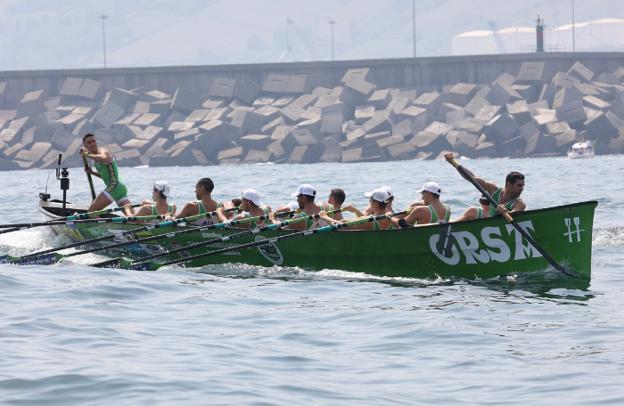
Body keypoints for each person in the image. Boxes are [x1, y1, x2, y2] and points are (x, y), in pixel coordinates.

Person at [444, 152, 526, 216]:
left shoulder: (519, 203)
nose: (522, 188)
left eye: (522, 185)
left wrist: (506, 212)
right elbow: (471, 178)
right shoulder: (494, 190)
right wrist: (454, 163)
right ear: (509, 185)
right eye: (519, 185)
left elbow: (515, 214)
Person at [80, 133, 131, 211]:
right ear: (85, 146)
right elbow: (105, 176)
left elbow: (104, 158)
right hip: (119, 189)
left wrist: (87, 155)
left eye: (93, 141)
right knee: (133, 218)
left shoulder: (102, 151)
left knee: (91, 211)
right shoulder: (96, 161)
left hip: (114, 187)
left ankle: (96, 221)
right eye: (89, 142)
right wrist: (92, 172)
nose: (92, 144)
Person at [320, 188, 394, 231]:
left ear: (375, 203)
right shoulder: (391, 218)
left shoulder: (367, 220)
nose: (369, 201)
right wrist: (356, 210)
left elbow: (338, 225)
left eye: (371, 199)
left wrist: (326, 218)